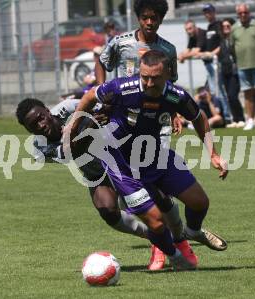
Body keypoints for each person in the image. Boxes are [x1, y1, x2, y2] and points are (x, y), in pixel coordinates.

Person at [69, 50, 229, 270]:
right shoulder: (122, 88)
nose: (149, 82)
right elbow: (89, 97)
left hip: (155, 156)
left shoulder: (175, 95)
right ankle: (174, 256)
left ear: (168, 74)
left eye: (155, 78)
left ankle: (192, 231)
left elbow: (198, 117)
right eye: (145, 77)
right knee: (156, 221)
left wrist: (213, 153)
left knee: (200, 202)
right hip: (121, 164)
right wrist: (74, 125)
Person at [94, 0, 185, 270]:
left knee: (151, 185)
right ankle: (169, 238)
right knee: (130, 194)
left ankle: (162, 247)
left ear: (160, 19)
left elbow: (172, 83)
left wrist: (176, 112)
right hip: (124, 125)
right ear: (138, 17)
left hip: (157, 123)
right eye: (145, 17)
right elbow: (102, 62)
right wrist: (105, 96)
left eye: (154, 18)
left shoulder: (167, 49)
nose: (149, 22)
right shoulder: (120, 42)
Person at [15, 98, 151, 250]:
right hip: (95, 172)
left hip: (120, 158)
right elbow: (73, 152)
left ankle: (172, 232)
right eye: (33, 125)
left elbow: (103, 106)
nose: (41, 125)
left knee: (141, 200)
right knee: (107, 211)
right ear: (29, 130)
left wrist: (104, 113)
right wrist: (90, 125)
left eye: (41, 118)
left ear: (47, 111)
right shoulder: (39, 149)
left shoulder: (69, 107)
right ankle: (150, 235)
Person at [199, 3, 232, 125]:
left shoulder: (218, 25)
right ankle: (219, 115)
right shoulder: (209, 27)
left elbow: (221, 44)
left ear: (214, 12)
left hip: (215, 62)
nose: (207, 14)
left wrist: (212, 54)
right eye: (205, 12)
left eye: (209, 11)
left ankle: (227, 117)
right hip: (208, 64)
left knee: (219, 91)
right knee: (213, 91)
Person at [220, 18, 245, 128]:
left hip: (235, 71)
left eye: (228, 26)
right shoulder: (222, 40)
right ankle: (235, 119)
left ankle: (241, 118)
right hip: (225, 71)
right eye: (224, 26)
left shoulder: (235, 39)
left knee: (233, 95)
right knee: (229, 97)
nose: (226, 28)